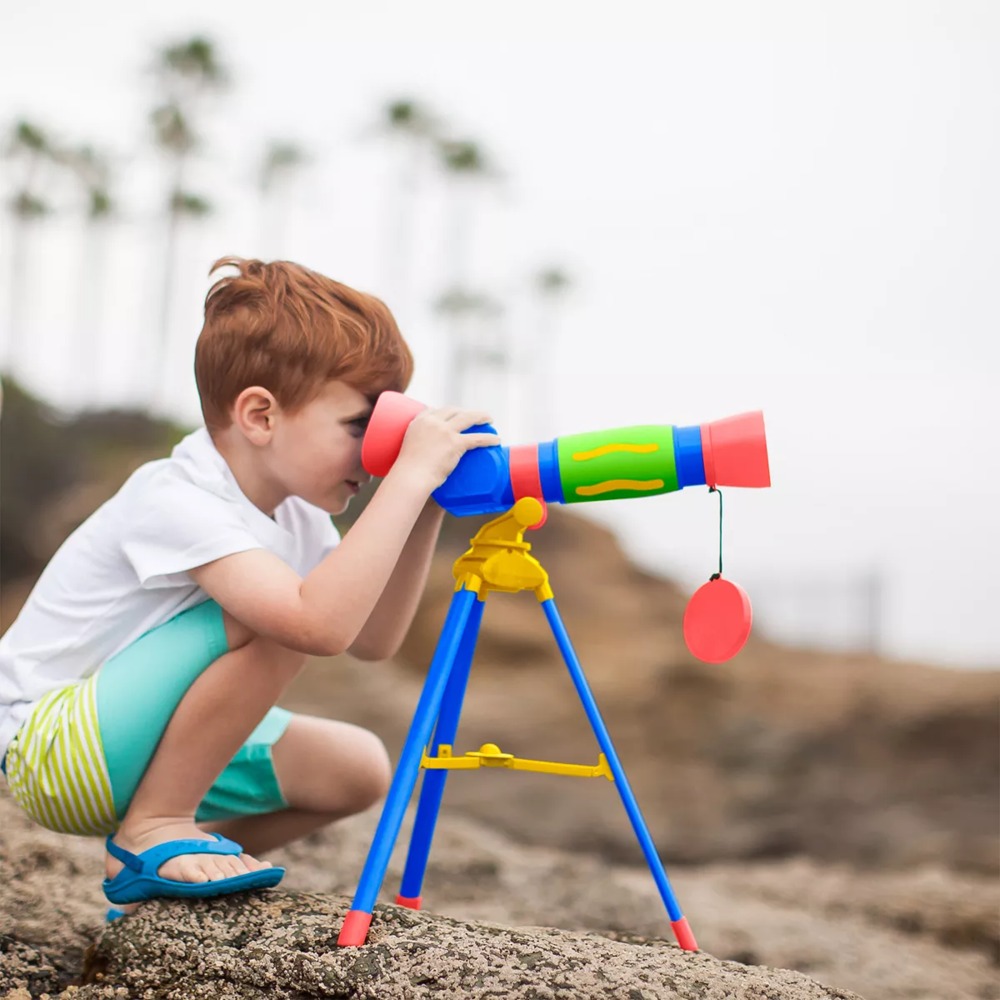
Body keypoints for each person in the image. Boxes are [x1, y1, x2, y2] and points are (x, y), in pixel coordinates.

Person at [0, 256, 499, 910]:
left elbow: (372, 638)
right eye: (361, 427)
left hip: (134, 745)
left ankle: (156, 874)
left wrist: (427, 502)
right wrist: (406, 479)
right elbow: (315, 625)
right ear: (261, 416)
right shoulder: (177, 495)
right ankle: (155, 829)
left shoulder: (294, 513)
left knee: (357, 770)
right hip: (54, 748)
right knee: (281, 620)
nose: (377, 455)